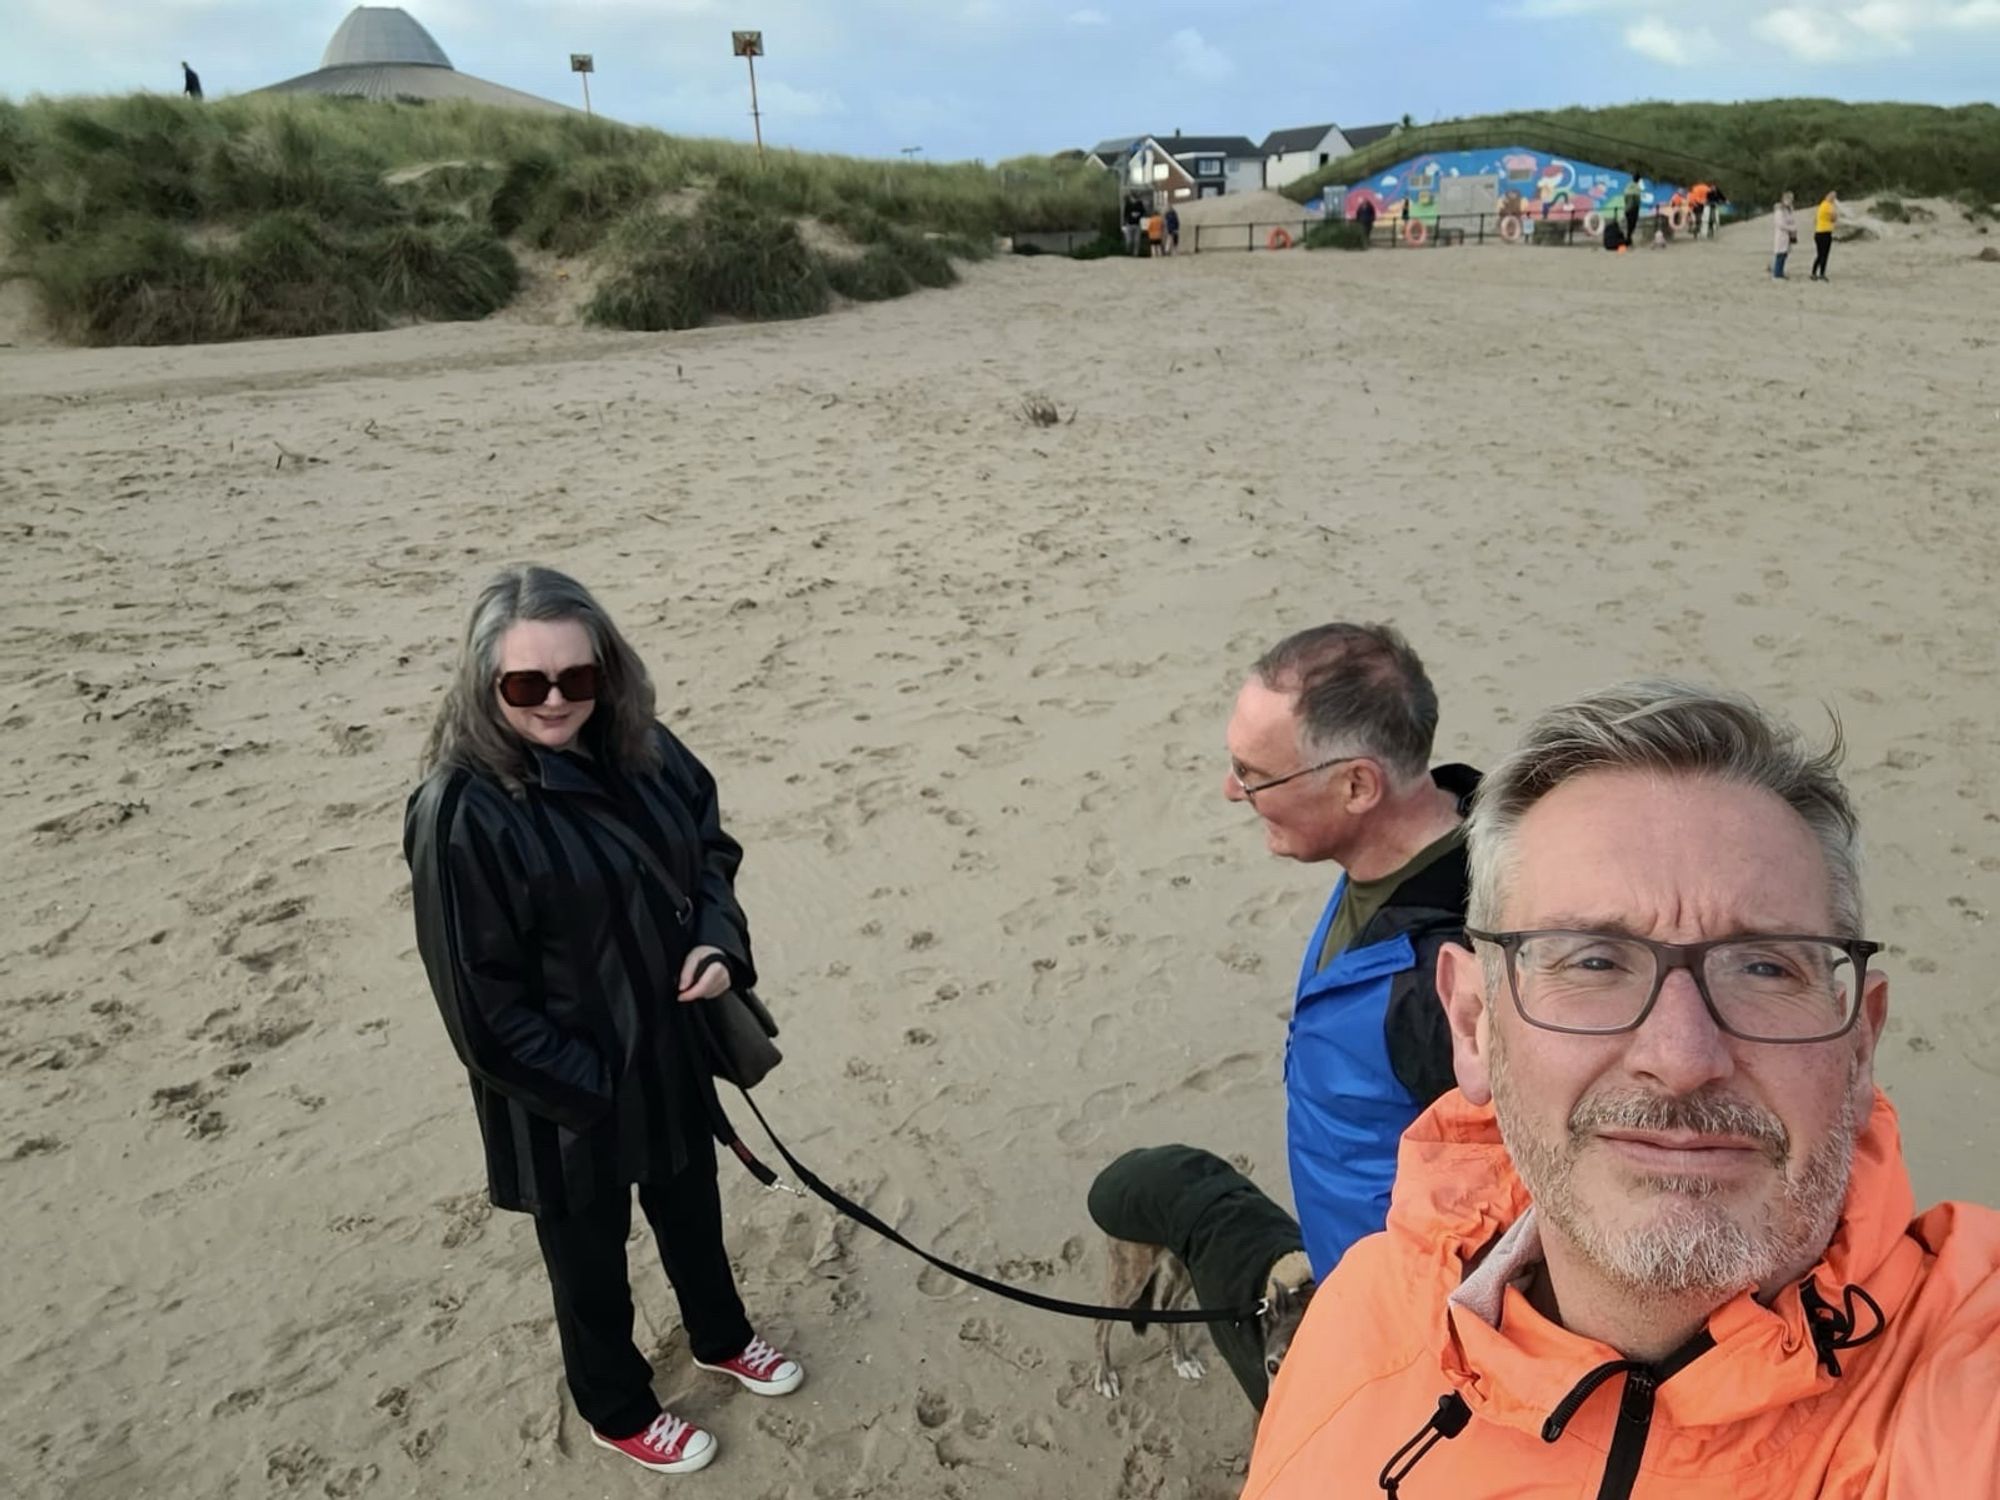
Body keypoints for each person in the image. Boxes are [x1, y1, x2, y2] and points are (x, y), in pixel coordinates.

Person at [1243, 682, 2000, 1498]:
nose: (1682, 1057)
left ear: (1860, 1048)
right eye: (1594, 961)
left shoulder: (1964, 1389)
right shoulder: (1357, 1320)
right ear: (1472, 1024)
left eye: (1763, 966)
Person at [404, 566, 804, 1478]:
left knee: (692, 1212)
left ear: (607, 671)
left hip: (667, 1049)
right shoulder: (461, 813)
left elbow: (710, 850)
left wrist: (716, 947)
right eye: (525, 684)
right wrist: (593, 1087)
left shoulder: (640, 746)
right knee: (589, 1268)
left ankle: (722, 1336)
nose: (555, 701)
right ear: (482, 685)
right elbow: (480, 1007)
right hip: (559, 1094)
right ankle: (617, 1405)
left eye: (576, 678)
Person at [1222, 625, 1474, 1278]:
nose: (1232, 792)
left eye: (1254, 776)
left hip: (1403, 1318)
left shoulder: (1446, 984)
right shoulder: (1388, 858)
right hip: (1350, 1269)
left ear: (1358, 788)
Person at [1812, 190, 1839, 281]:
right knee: (1823, 254)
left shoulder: (1822, 205)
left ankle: (1816, 273)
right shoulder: (1828, 206)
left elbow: (1815, 220)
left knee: (1821, 254)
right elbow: (1834, 218)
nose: (1833, 199)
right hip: (1824, 233)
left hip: (1820, 232)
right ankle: (1819, 273)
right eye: (1832, 197)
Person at [1772, 190, 1799, 279]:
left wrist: (1794, 228)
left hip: (1788, 235)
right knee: (1780, 254)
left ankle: (1780, 272)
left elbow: (1792, 220)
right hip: (1782, 235)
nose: (1790, 201)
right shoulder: (1779, 211)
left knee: (1784, 254)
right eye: (1789, 199)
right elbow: (1780, 224)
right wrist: (1791, 228)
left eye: (1791, 199)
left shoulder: (1789, 210)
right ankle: (1777, 273)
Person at [1622, 177, 1642, 244]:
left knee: (1629, 224)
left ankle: (1628, 239)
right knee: (1632, 224)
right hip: (1634, 209)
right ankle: (1628, 239)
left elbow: (1625, 197)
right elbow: (1637, 200)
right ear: (1639, 180)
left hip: (1627, 208)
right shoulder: (1637, 188)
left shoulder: (1628, 186)